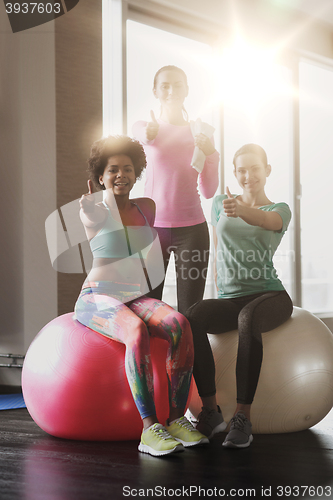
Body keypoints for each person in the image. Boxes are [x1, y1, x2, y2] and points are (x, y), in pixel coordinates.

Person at [74, 135, 208, 457]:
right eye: (113, 170)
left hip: (133, 296)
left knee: (179, 322)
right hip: (97, 297)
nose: (121, 175)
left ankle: (176, 419)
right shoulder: (93, 207)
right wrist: (96, 205)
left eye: (128, 168)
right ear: (101, 176)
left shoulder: (147, 207)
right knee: (135, 331)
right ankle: (149, 429)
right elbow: (93, 219)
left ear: (137, 173)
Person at [185, 143, 293, 448]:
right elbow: (219, 251)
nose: (248, 176)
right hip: (230, 297)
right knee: (192, 315)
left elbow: (265, 222)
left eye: (255, 168)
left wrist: (243, 210)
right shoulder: (219, 203)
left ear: (267, 170)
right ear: (234, 173)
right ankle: (211, 412)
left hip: (270, 295)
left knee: (248, 318)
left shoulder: (279, 209)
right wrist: (216, 293)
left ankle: (242, 417)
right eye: (242, 170)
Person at [132, 65, 220, 314]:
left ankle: (189, 355)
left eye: (177, 85)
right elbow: (139, 133)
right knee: (147, 310)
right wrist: (147, 133)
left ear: (187, 90)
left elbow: (209, 191)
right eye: (165, 85)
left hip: (192, 232)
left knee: (191, 312)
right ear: (155, 91)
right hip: (151, 230)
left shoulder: (200, 133)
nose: (171, 90)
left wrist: (211, 154)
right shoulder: (146, 127)